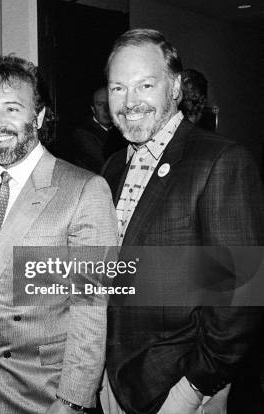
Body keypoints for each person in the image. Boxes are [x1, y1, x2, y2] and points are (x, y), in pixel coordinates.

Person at [100, 28, 264, 414]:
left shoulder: (219, 161)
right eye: (117, 88)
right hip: (112, 384)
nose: (129, 102)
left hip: (178, 391)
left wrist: (193, 389)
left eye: (145, 85)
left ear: (174, 88)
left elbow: (239, 297)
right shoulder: (110, 168)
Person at [0, 55, 118, 414]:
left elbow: (90, 311)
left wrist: (73, 401)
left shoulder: (84, 190)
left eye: (12, 108)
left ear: (39, 117)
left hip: (40, 394)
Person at [71, 87, 126, 173]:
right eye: (100, 104)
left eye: (109, 104)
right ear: (93, 109)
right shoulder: (83, 133)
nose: (106, 110)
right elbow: (109, 167)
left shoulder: (120, 129)